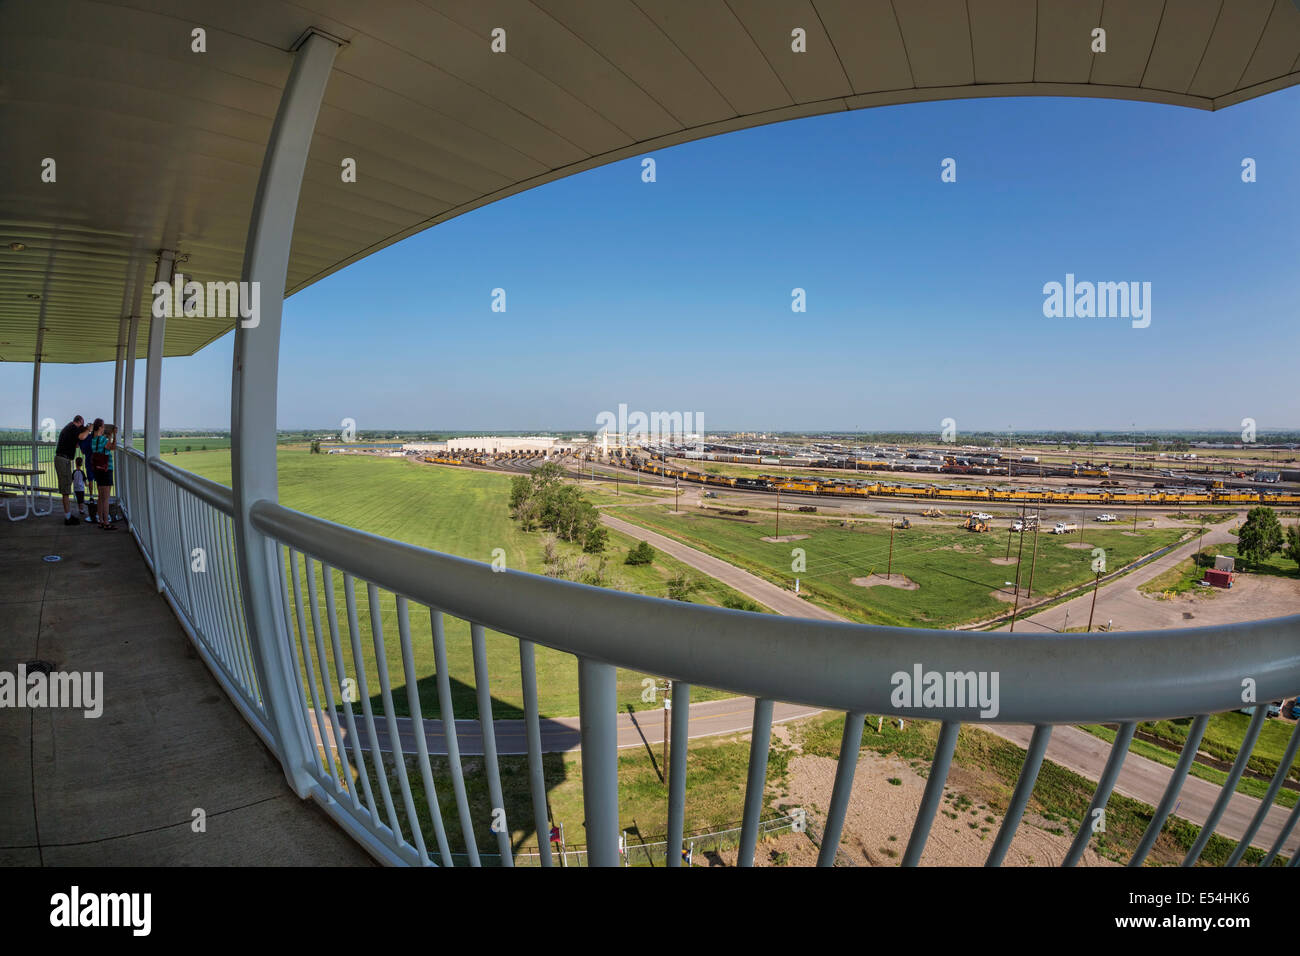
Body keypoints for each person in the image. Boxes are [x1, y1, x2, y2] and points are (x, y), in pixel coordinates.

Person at [54, 415, 91, 526]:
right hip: (63, 460)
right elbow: (81, 437)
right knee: (65, 490)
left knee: (66, 487)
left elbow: (75, 445)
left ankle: (68, 515)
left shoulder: (69, 428)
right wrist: (88, 430)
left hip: (63, 459)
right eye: (82, 424)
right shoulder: (73, 428)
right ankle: (68, 517)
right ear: (79, 421)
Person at [90, 420, 117, 530]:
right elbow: (112, 447)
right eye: (103, 426)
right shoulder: (102, 439)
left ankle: (100, 520)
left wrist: (108, 437)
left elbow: (104, 448)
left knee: (100, 497)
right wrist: (114, 435)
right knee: (106, 498)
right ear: (101, 427)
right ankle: (106, 522)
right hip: (106, 469)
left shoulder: (93, 440)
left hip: (97, 470)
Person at [72, 456, 89, 520]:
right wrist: (87, 485)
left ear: (76, 463)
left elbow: (72, 479)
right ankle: (81, 510)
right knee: (81, 499)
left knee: (79, 499)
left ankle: (80, 509)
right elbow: (84, 480)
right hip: (81, 489)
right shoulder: (82, 472)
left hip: (76, 488)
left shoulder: (74, 472)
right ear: (81, 464)